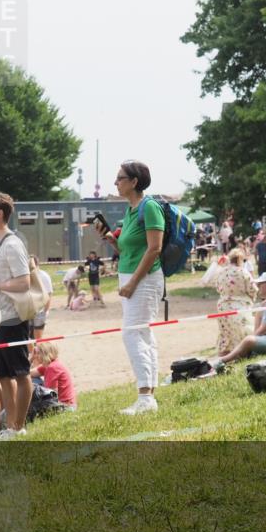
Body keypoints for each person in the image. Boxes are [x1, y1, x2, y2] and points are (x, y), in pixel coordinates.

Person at [100, 162, 165, 415]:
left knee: (131, 333)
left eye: (120, 178)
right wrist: (111, 240)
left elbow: (154, 249)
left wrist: (132, 283)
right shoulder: (130, 211)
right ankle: (148, 394)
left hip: (144, 279)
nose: (116, 183)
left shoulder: (150, 207)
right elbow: (127, 250)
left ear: (134, 181)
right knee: (143, 334)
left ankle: (145, 396)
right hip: (130, 276)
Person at [0, 192, 34, 440]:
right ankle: (10, 424)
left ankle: (19, 425)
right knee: (3, 375)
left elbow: (24, 282)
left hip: (13, 317)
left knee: (21, 373)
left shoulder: (12, 244)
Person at [210, 272, 266, 368]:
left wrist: (250, 340)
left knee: (248, 340)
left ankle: (222, 361)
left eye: (260, 284)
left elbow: (264, 330)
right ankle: (233, 360)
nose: (258, 286)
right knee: (249, 338)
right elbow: (260, 328)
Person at [213, 249, 258, 356]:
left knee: (226, 332)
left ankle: (225, 353)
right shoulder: (242, 271)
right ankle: (241, 353)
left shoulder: (221, 271)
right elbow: (253, 289)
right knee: (242, 330)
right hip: (239, 305)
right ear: (240, 259)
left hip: (223, 305)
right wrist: (252, 299)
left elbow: (217, 287)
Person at [30, 342, 76, 409]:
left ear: (44, 354)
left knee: (34, 386)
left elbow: (51, 395)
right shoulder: (50, 365)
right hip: (68, 405)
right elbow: (27, 374)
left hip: (65, 407)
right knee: (34, 379)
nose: (36, 355)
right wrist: (31, 358)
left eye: (38, 353)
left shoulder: (52, 368)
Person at [29, 255, 53, 340]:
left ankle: (38, 352)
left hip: (40, 310)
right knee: (29, 337)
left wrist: (45, 310)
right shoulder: (27, 275)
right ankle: (31, 353)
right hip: (28, 310)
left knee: (38, 337)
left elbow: (49, 294)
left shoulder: (44, 276)